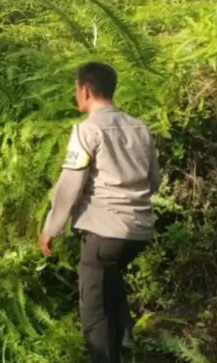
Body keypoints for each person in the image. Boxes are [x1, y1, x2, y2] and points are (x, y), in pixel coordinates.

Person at [39, 62, 160, 363]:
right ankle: (125, 337)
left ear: (85, 89)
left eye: (75, 88)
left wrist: (51, 228)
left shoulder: (87, 130)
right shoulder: (139, 127)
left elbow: (70, 185)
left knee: (93, 313)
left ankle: (111, 351)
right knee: (110, 275)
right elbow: (154, 180)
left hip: (103, 234)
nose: (75, 93)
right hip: (139, 232)